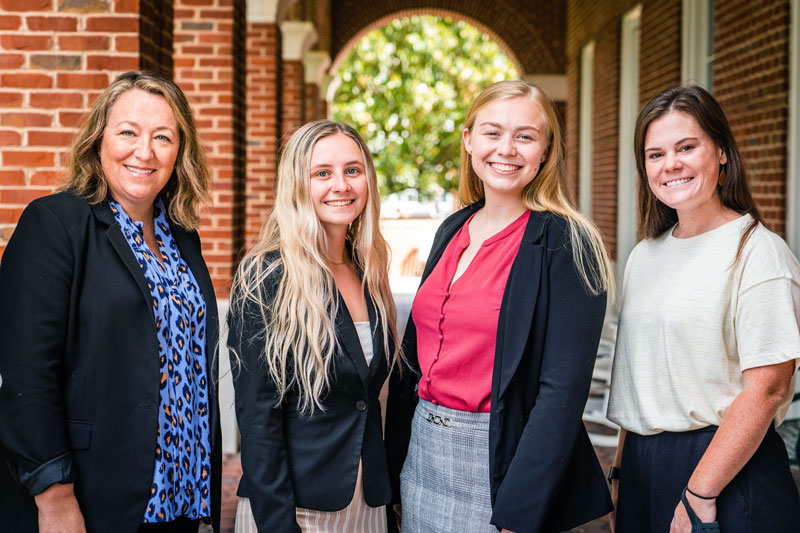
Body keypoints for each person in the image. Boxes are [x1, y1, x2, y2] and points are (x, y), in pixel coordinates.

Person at [384, 80, 615, 533]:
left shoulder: (569, 243)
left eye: (525, 136)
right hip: (421, 455)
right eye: (492, 132)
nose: (506, 148)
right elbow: (412, 359)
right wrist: (394, 471)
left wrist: (519, 516)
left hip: (499, 464)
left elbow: (560, 396)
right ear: (468, 140)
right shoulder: (453, 227)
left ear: (546, 150)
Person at [0, 70, 222, 533]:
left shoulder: (183, 239)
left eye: (163, 137)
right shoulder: (56, 224)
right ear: (98, 140)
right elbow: (26, 374)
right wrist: (54, 495)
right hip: (92, 496)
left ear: (180, 151)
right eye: (128, 132)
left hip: (179, 496)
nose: (144, 151)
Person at [607, 85, 800, 532]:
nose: (670, 164)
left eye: (687, 147)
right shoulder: (645, 255)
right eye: (655, 154)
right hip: (641, 463)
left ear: (722, 153)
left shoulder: (759, 252)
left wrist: (699, 493)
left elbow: (768, 390)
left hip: (726, 471)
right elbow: (640, 383)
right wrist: (621, 474)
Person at [229, 120, 402, 532]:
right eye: (322, 173)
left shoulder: (368, 272)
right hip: (294, 508)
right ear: (297, 184)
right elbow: (257, 416)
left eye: (352, 170)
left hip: (366, 505)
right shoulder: (266, 275)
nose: (340, 185)